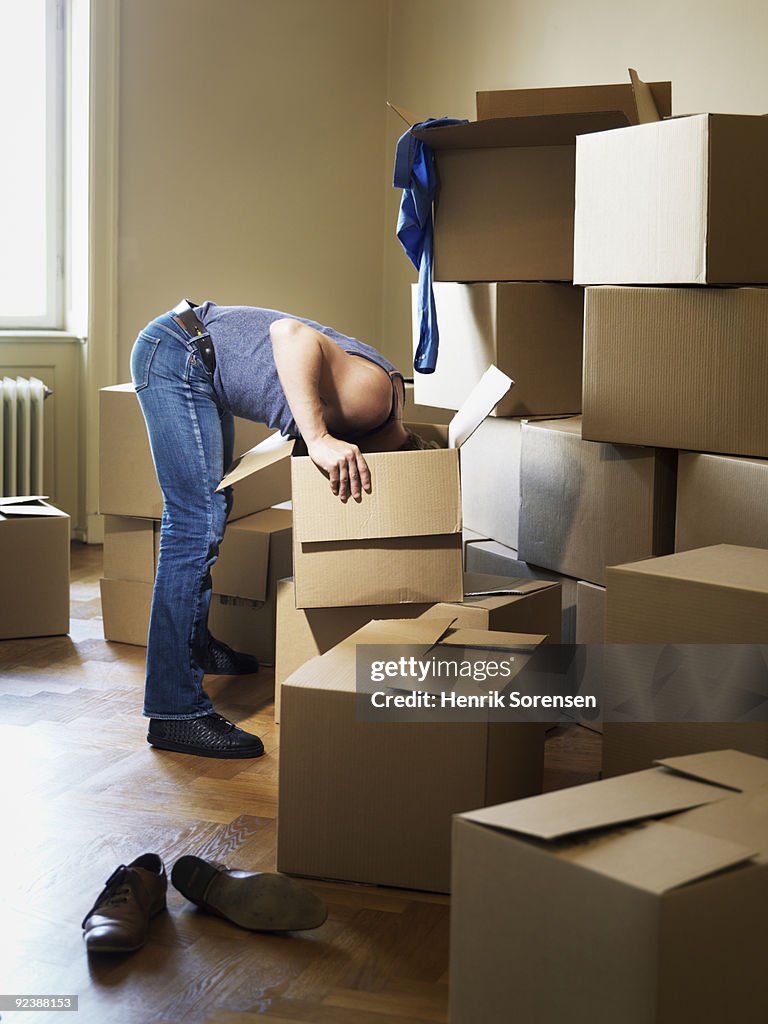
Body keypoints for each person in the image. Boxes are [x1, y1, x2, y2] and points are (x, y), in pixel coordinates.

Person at [130, 299, 428, 760]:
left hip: (195, 354)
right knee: (194, 521)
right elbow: (289, 334)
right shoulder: (370, 402)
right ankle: (175, 711)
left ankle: (193, 643)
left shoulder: (378, 411)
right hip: (178, 353)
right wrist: (320, 439)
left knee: (212, 506)